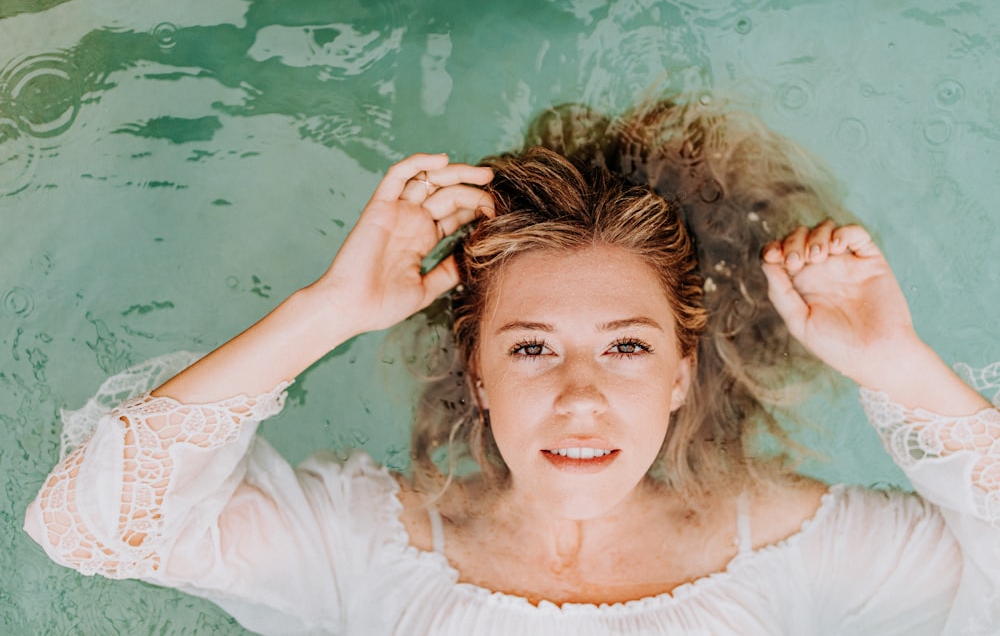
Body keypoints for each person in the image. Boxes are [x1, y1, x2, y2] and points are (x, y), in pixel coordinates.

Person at [24, 99, 1000, 634]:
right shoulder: (358, 545)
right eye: (532, 347)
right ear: (479, 373)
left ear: (678, 374)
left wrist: (898, 364)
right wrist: (328, 308)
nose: (580, 397)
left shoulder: (799, 552)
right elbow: (95, 528)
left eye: (627, 346)